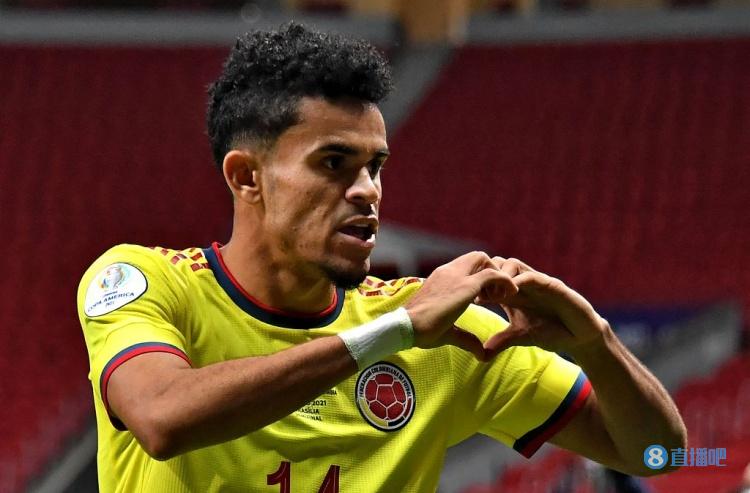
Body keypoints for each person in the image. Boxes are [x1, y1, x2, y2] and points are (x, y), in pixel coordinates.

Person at [77, 22, 686, 492]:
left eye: (376, 166)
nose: (367, 190)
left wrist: (596, 342)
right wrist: (396, 332)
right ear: (247, 177)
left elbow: (660, 456)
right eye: (334, 163)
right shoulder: (144, 280)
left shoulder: (446, 335)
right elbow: (162, 417)